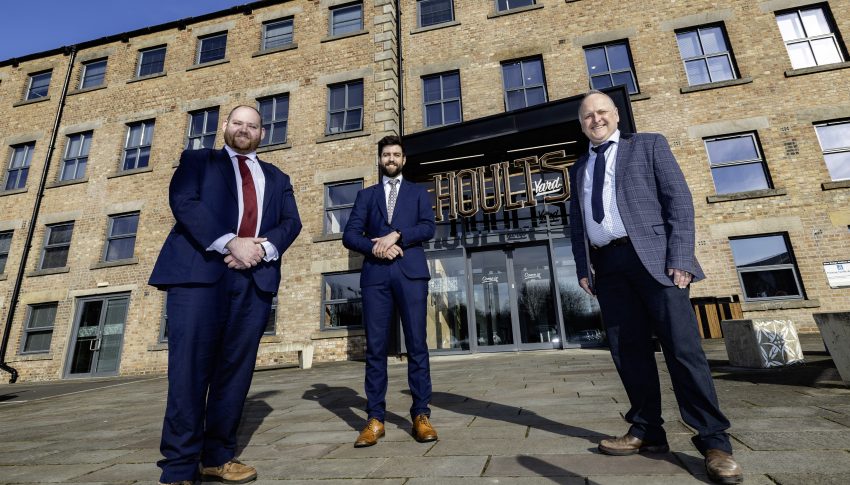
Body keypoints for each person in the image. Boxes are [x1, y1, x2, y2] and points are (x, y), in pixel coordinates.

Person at [568, 91, 743, 484]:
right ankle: (647, 430)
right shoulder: (579, 167)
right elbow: (577, 223)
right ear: (581, 125)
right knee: (628, 352)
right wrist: (584, 267)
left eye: (601, 113)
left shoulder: (648, 145)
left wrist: (680, 256)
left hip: (655, 260)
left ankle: (715, 442)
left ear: (616, 116)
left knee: (682, 350)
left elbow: (678, 200)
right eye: (587, 116)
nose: (595, 120)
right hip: (608, 267)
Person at [149, 105, 302, 485]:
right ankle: (180, 467)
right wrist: (232, 243)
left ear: (262, 133)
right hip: (200, 276)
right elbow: (185, 202)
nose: (244, 130)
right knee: (188, 371)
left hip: (254, 281)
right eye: (238, 123)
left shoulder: (278, 176)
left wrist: (260, 251)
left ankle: (217, 456)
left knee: (234, 372)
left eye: (252, 126)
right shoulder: (198, 160)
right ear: (225, 127)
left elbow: (291, 222)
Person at [342, 135, 437, 447]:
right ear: (380, 159)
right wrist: (377, 247)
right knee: (376, 349)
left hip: (411, 275)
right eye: (386, 155)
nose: (391, 159)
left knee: (417, 345)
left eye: (396, 154)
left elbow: (428, 227)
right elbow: (350, 236)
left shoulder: (419, 192)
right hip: (376, 277)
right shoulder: (365, 196)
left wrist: (397, 236)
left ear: (404, 159)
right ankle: (375, 418)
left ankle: (421, 415)